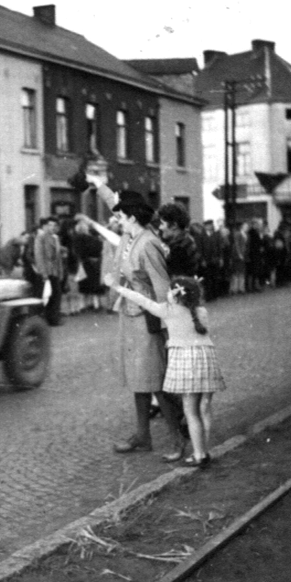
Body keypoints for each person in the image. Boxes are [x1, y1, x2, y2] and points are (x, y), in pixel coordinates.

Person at [84, 174, 185, 460]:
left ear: (131, 217)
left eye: (121, 216)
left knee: (156, 380)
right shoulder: (132, 234)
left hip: (147, 320)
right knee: (138, 379)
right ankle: (143, 436)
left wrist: (169, 328)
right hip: (130, 316)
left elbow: (162, 288)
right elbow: (112, 200)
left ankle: (178, 439)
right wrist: (97, 183)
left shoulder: (148, 243)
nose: (116, 219)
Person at [111, 276, 226, 467]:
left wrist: (116, 287)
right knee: (204, 408)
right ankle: (205, 450)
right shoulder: (202, 312)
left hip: (185, 363)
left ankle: (199, 455)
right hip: (207, 361)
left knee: (191, 412)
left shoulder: (168, 311)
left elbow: (142, 300)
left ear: (173, 295)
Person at [34, 216, 64, 326]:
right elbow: (39, 256)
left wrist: (60, 271)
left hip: (54, 270)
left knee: (56, 294)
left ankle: (53, 318)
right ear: (45, 226)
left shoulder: (55, 238)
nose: (52, 227)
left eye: (54, 225)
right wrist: (43, 273)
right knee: (45, 295)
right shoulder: (40, 237)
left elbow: (58, 257)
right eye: (49, 225)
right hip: (46, 271)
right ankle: (46, 319)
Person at [156, 203, 199, 278]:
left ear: (174, 226)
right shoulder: (187, 241)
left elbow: (174, 279)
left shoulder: (179, 248)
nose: (160, 227)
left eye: (162, 224)